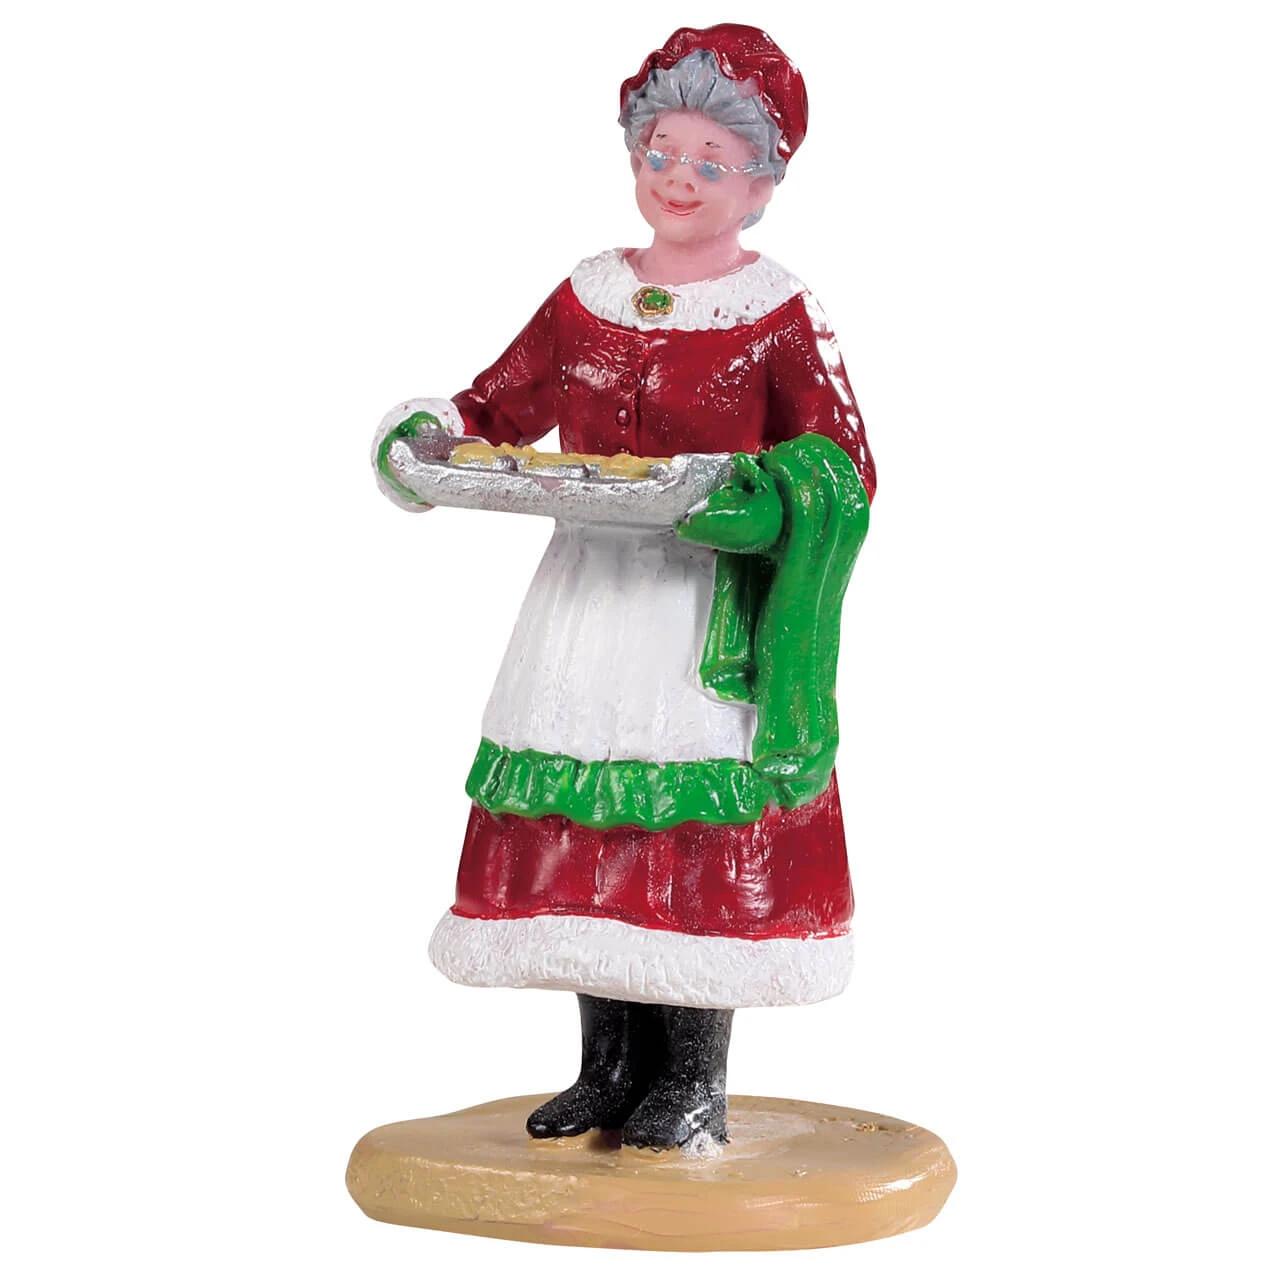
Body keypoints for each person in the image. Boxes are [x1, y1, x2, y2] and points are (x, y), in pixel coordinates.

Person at [372, 24, 876, 1150]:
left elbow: (842, 467)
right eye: (660, 153)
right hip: (587, 598)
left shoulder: (777, 311)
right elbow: (502, 402)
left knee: (684, 824)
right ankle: (608, 1065)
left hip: (700, 615)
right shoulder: (589, 293)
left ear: (761, 184)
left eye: (711, 162)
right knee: (589, 817)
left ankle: (690, 1075)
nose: (678, 179)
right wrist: (436, 432)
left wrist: (751, 500)